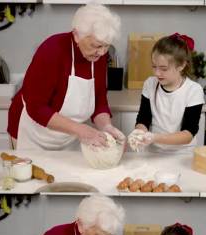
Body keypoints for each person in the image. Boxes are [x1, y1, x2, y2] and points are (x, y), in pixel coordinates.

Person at [7, 3, 125, 150]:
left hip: (68, 135)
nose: (101, 53)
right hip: (32, 133)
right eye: (96, 46)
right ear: (76, 35)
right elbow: (36, 108)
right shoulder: (52, 50)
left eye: (106, 46)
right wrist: (81, 130)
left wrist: (106, 127)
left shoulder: (98, 57)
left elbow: (99, 100)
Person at [127, 33, 204, 153]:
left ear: (182, 65)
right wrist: (139, 132)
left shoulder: (193, 90)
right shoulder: (150, 84)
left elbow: (188, 133)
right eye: (154, 67)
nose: (157, 73)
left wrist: (155, 137)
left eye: (163, 69)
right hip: (154, 152)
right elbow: (143, 118)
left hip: (182, 154)